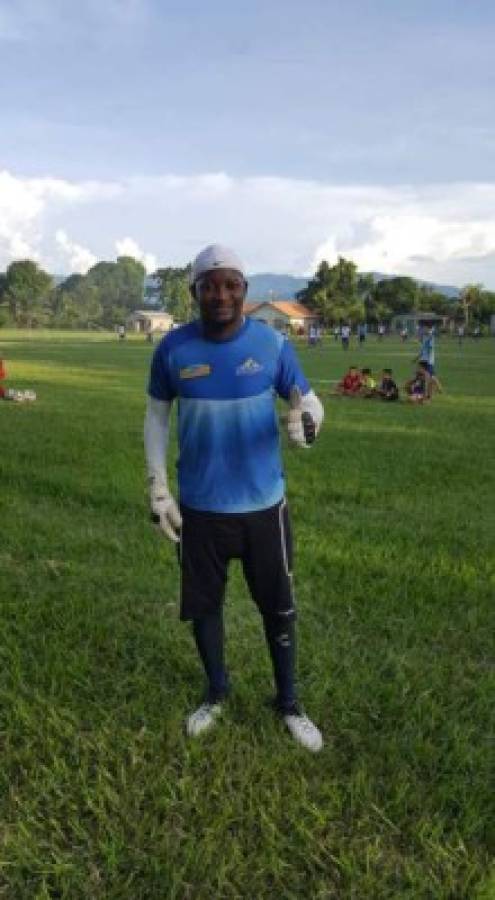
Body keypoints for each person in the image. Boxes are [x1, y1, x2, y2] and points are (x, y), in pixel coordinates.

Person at [144, 244, 324, 752]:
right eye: (210, 285)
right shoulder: (173, 350)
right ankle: (216, 692)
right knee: (204, 606)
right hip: (200, 509)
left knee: (278, 607)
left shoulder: (270, 345)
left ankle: (289, 702)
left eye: (231, 285)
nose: (221, 294)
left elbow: (306, 399)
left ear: (245, 290)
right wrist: (158, 486)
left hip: (265, 506)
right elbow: (157, 416)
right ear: (194, 291)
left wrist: (307, 422)